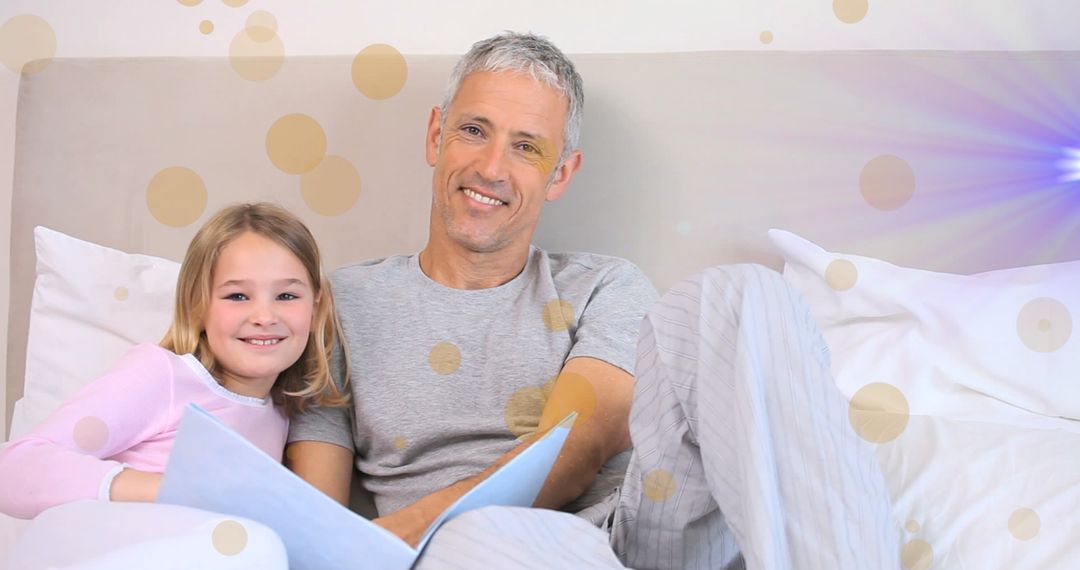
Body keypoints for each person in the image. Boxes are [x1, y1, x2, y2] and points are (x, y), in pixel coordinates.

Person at [287, 33, 899, 570]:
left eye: (528, 147)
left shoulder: (603, 285)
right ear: (435, 135)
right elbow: (314, 519)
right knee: (480, 537)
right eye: (474, 130)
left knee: (739, 292)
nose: (492, 167)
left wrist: (401, 531)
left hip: (632, 537)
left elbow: (572, 451)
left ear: (561, 174)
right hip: (464, 553)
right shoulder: (339, 303)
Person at [0, 202, 348, 568]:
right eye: (237, 296)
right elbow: (12, 468)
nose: (264, 316)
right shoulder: (163, 377)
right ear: (198, 306)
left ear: (316, 309)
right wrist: (169, 491)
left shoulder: (284, 414)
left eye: (287, 296)